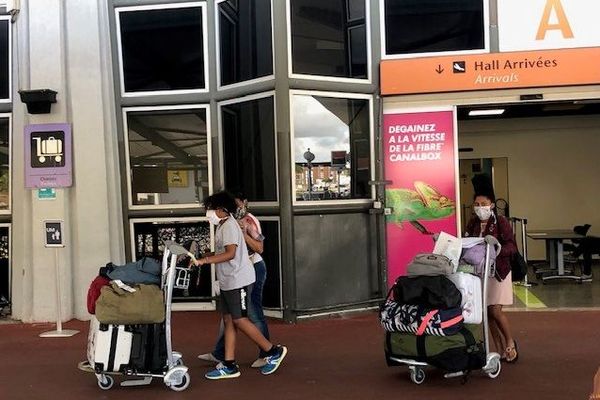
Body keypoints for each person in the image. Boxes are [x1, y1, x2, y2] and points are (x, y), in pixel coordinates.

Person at [195, 191, 287, 379]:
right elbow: (225, 251)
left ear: (221, 209)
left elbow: (230, 253)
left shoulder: (229, 226)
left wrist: (205, 261)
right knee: (229, 320)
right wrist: (205, 256)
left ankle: (272, 351)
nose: (208, 213)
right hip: (229, 281)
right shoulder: (223, 226)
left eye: (210, 209)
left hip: (238, 280)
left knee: (240, 319)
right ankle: (229, 364)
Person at [465, 192, 519, 363]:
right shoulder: (472, 223)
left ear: (492, 205)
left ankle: (510, 341)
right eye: (477, 204)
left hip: (499, 271)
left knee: (495, 309)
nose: (480, 208)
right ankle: (499, 349)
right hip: (481, 272)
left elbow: (512, 247)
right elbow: (466, 242)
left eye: (484, 203)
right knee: (486, 312)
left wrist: (497, 247)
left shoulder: (501, 222)